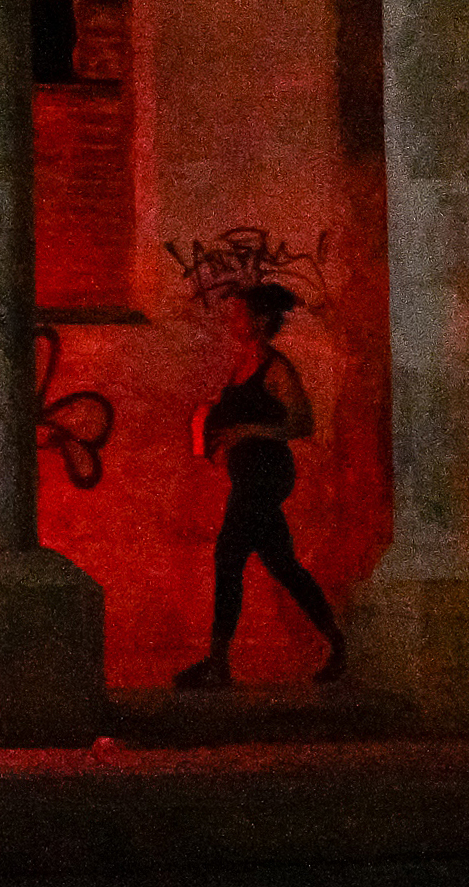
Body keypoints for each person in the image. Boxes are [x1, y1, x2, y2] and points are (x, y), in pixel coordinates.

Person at [174, 281, 346, 689]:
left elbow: (302, 423)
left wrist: (246, 432)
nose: (232, 321)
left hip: (266, 476)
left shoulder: (276, 367)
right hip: (248, 474)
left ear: (260, 321)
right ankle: (338, 645)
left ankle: (218, 664)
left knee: (228, 556)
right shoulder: (243, 364)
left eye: (239, 314)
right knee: (282, 565)